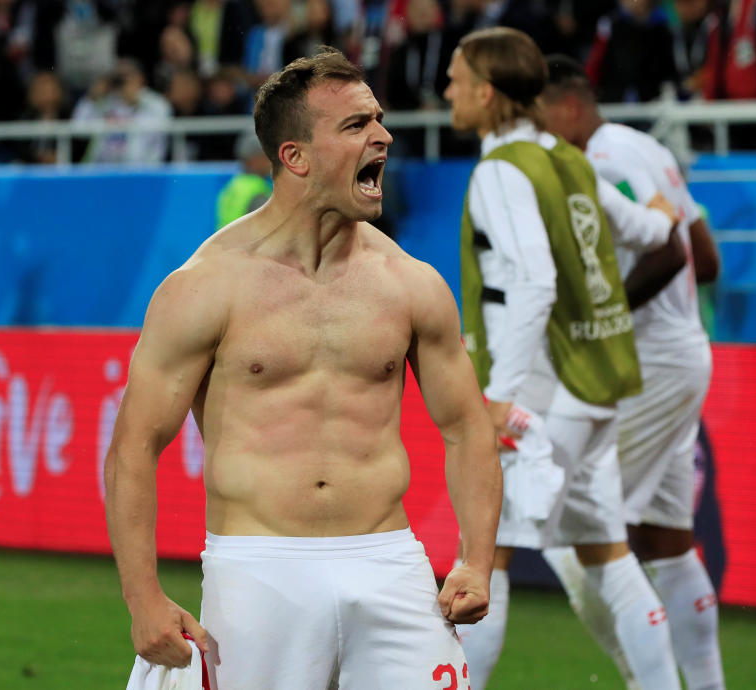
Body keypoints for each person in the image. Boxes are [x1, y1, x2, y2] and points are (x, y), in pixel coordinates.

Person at [104, 47, 502, 689]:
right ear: (295, 157)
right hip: (258, 571)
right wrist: (141, 597)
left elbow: (466, 428)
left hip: (389, 562)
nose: (383, 136)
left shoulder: (411, 283)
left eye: (378, 119)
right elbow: (134, 446)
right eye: (356, 126)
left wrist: (476, 560)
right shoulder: (205, 287)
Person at [444, 26, 682, 690]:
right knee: (607, 554)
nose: (447, 91)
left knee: (482, 557)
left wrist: (499, 398)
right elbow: (634, 227)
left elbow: (532, 280)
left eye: (457, 80)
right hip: (597, 383)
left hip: (543, 397)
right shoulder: (565, 157)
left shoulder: (501, 170)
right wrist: (664, 219)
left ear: (487, 93)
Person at [542, 53, 724, 690]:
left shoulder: (603, 159)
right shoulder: (649, 149)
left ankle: (644, 680)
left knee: (573, 536)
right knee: (666, 539)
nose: (540, 137)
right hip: (681, 355)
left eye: (542, 118)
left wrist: (597, 313)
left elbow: (671, 253)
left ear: (568, 105)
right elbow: (706, 259)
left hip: (647, 365)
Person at [214, 129, 272, 229]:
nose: (271, 160)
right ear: (253, 160)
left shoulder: (233, 185)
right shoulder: (256, 191)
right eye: (265, 155)